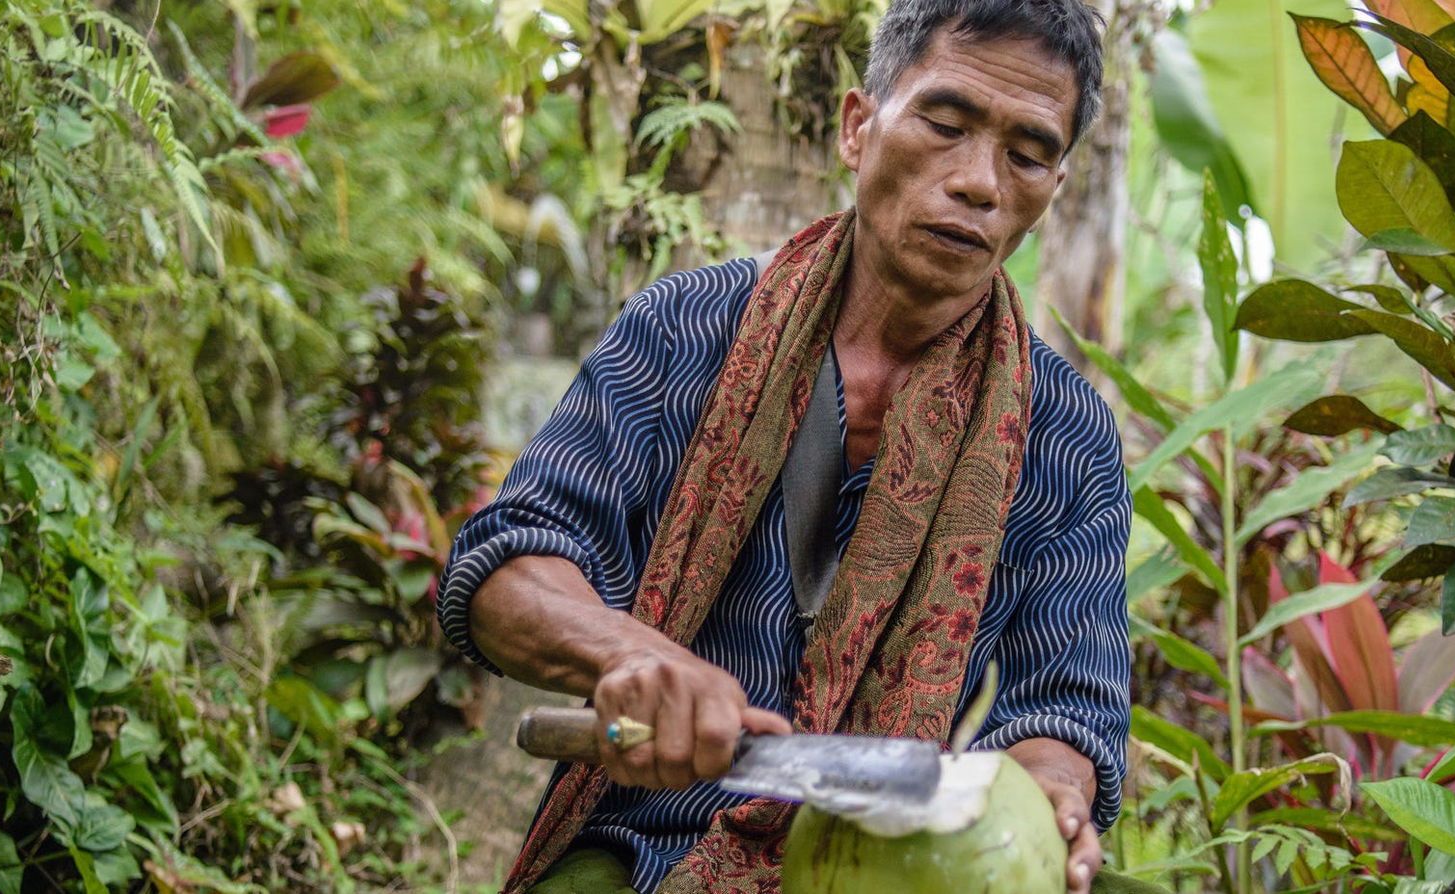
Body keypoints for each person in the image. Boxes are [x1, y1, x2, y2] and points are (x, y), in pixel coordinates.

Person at [435, 1, 1135, 891]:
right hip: (646, 845)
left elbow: (1066, 707)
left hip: (889, 864)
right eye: (945, 123)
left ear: (1054, 185)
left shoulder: (1066, 434)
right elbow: (506, 567)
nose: (980, 182)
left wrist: (1051, 795)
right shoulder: (686, 327)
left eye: (1026, 154)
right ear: (858, 127)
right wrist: (628, 655)